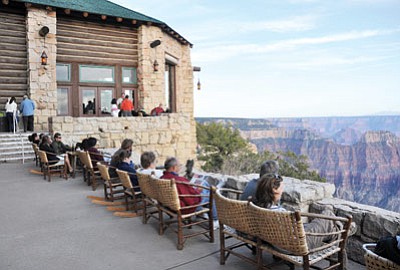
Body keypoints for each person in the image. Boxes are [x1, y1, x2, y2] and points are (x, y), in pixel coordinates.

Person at [253, 173, 357, 251]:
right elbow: (296, 232)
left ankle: (340, 231)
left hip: (281, 243)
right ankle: (343, 230)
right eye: (281, 187)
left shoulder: (257, 208)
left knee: (331, 229)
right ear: (275, 190)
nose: (283, 190)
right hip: (299, 245)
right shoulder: (280, 213)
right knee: (328, 212)